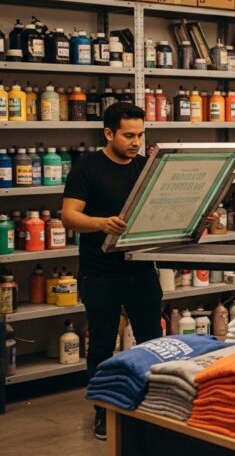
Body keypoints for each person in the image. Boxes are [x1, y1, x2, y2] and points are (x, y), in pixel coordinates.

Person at [62, 102, 161, 441]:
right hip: (101, 272)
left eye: (140, 135)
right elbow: (69, 216)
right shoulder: (88, 168)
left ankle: (152, 403)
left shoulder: (146, 167)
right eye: (128, 135)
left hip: (141, 268)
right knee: (102, 345)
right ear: (108, 133)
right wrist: (101, 223)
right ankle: (104, 410)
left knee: (153, 340)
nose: (136, 142)